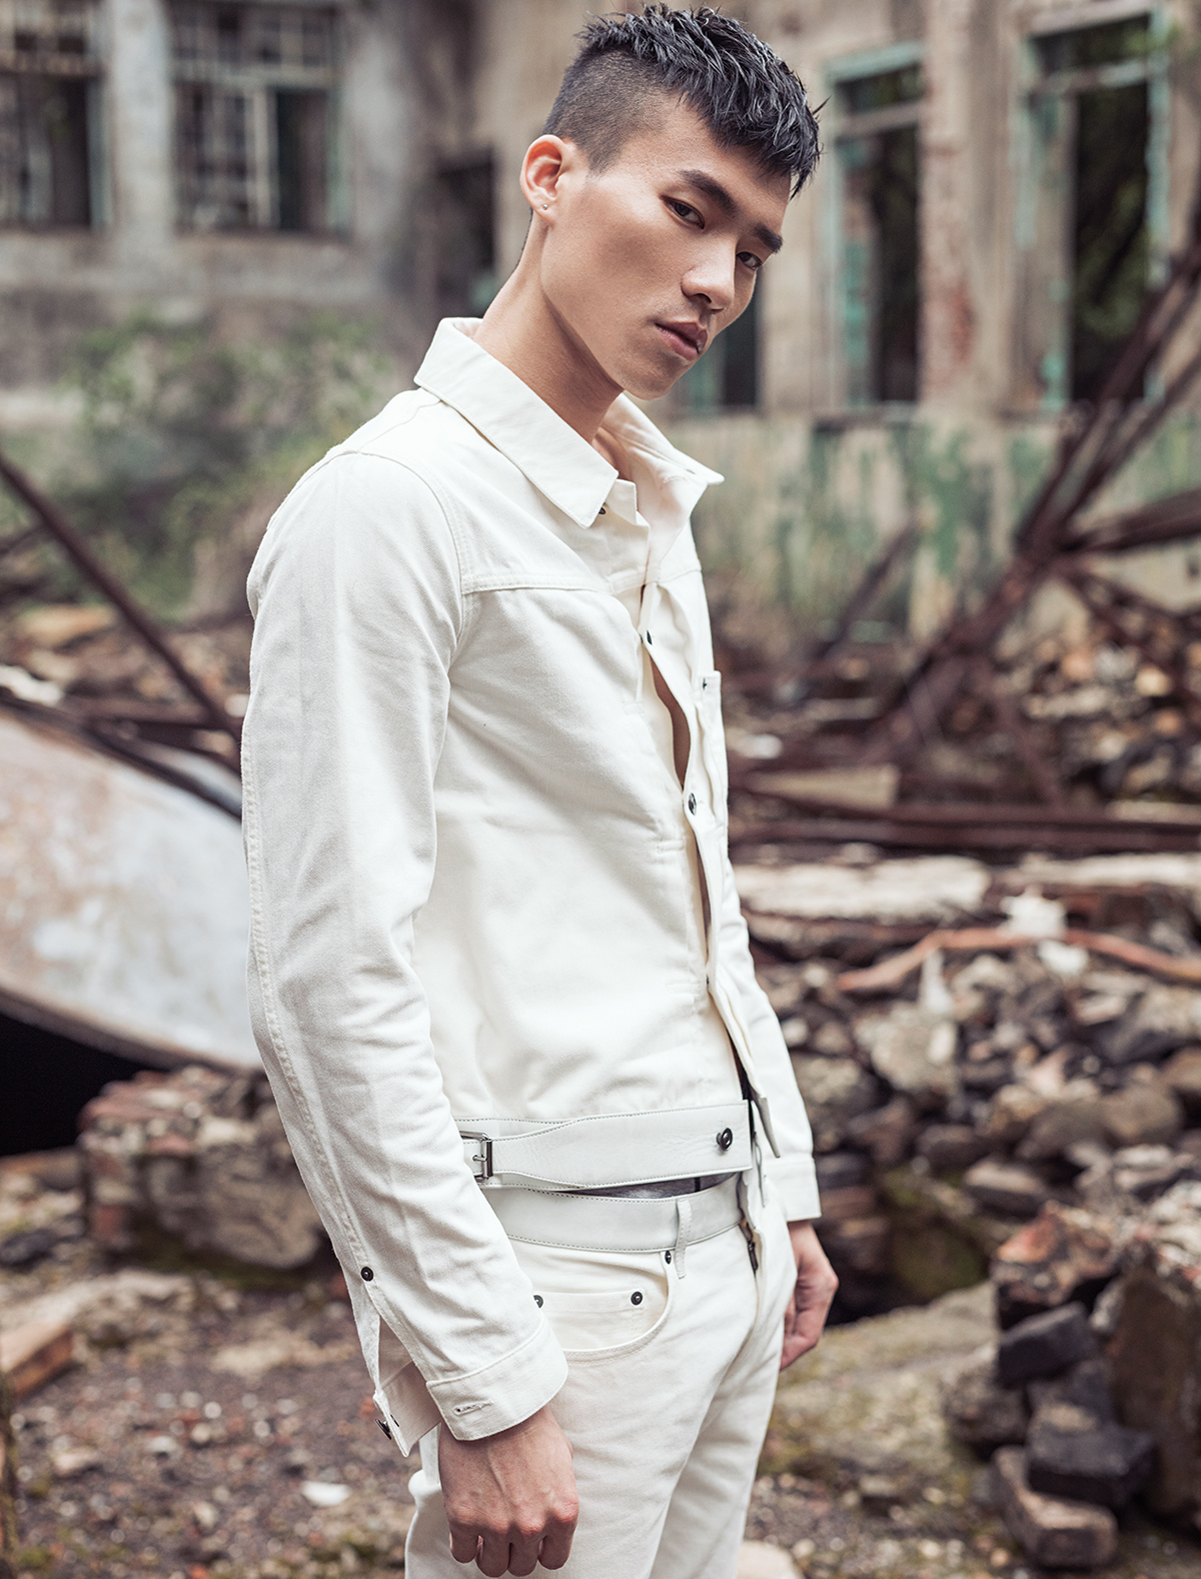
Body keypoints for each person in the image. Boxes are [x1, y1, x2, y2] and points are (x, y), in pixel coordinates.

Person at [241, 8, 837, 1577]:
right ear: (553, 176)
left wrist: (774, 1178)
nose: (717, 281)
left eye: (753, 250)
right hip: (564, 1285)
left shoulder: (643, 499)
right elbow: (326, 977)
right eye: (689, 210)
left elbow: (688, 883)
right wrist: (481, 1374)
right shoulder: (388, 512)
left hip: (721, 1251)